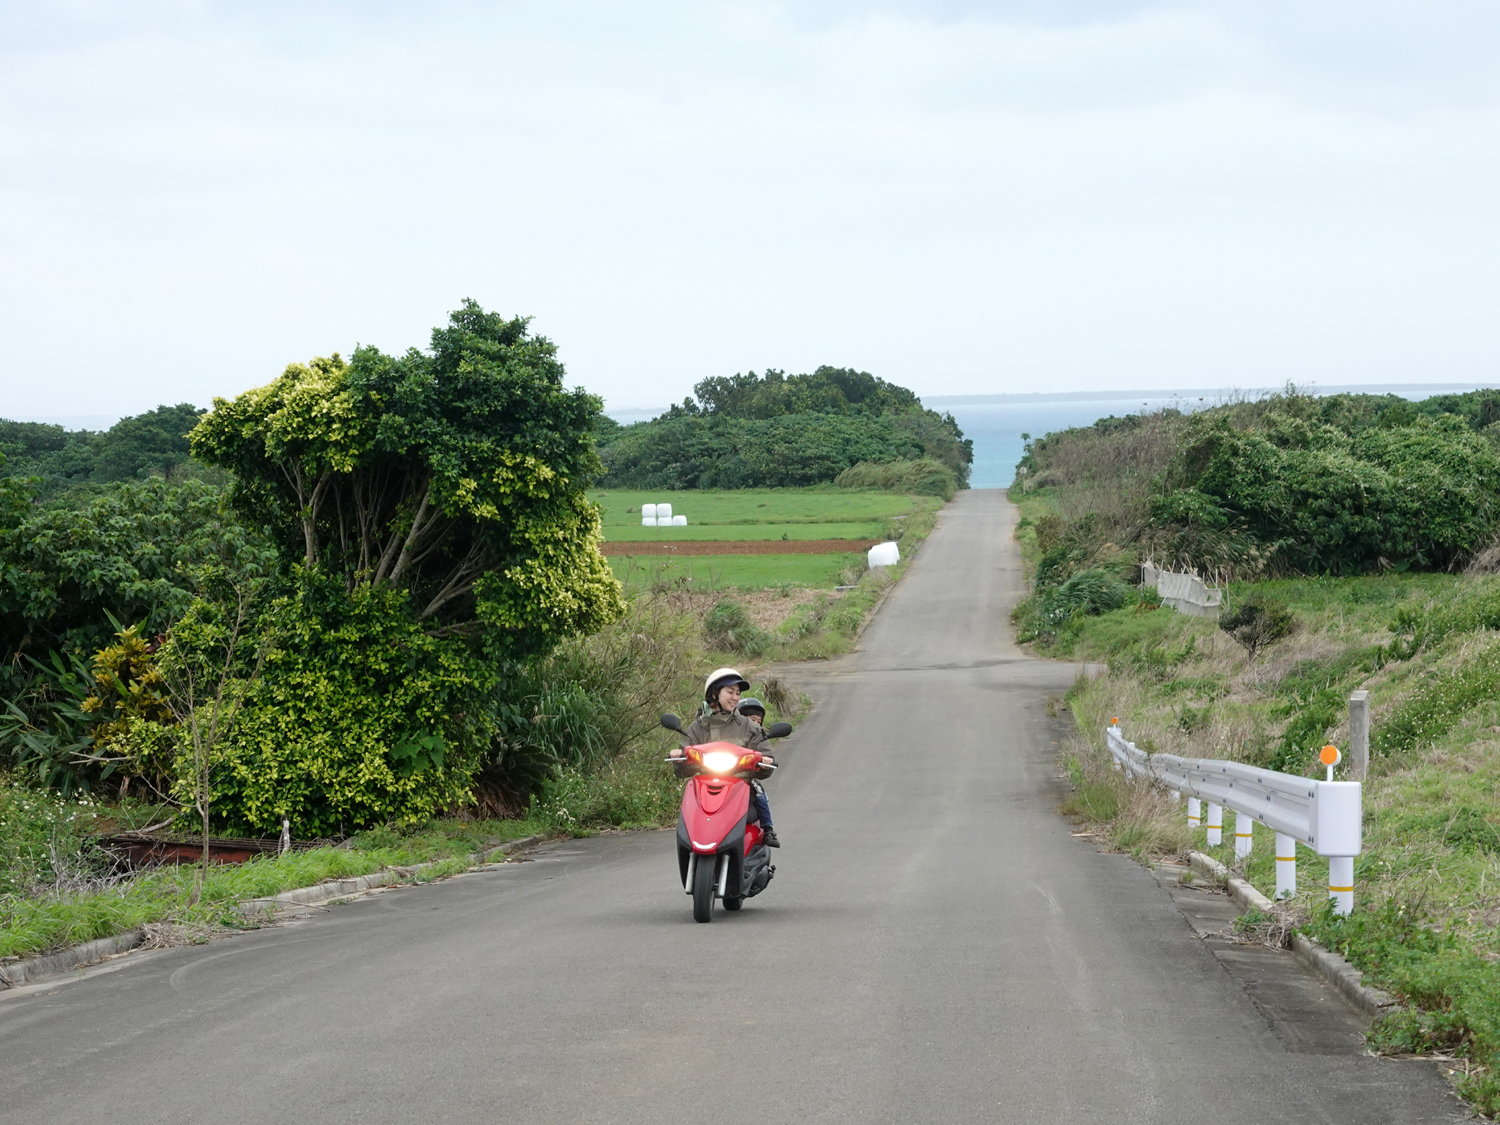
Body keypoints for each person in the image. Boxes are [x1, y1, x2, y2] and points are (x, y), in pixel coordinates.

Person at [672, 668, 781, 847]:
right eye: (730, 692)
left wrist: (765, 761)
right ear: (714, 694)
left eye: (738, 693)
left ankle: (762, 836)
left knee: (757, 802)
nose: (735, 697)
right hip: (705, 792)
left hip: (739, 790)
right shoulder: (698, 727)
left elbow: (765, 755)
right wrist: (678, 756)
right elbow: (684, 759)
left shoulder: (749, 727)